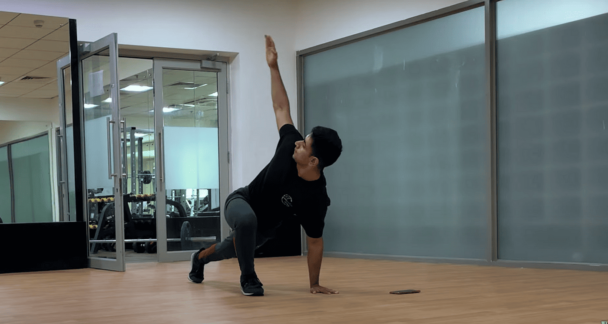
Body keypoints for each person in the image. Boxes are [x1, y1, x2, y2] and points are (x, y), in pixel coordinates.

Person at [187, 35, 343, 296]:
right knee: (246, 220)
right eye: (300, 141)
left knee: (228, 249)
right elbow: (281, 106)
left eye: (304, 145)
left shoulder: (315, 198)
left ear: (314, 161)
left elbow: (315, 242)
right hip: (242, 201)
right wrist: (273, 66)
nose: (297, 144)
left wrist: (314, 283)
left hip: (265, 228)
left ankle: (199, 258)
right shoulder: (289, 143)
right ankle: (249, 279)